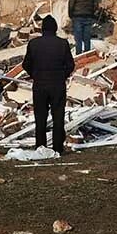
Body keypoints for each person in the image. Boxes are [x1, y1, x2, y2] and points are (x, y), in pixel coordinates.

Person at [22, 15, 76, 154]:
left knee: (40, 117)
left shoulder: (33, 44)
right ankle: (58, 147)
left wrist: (35, 75)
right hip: (57, 85)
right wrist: (61, 75)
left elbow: (26, 64)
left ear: (42, 28)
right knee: (58, 116)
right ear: (55, 28)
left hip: (39, 85)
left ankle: (40, 146)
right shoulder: (62, 43)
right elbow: (70, 65)